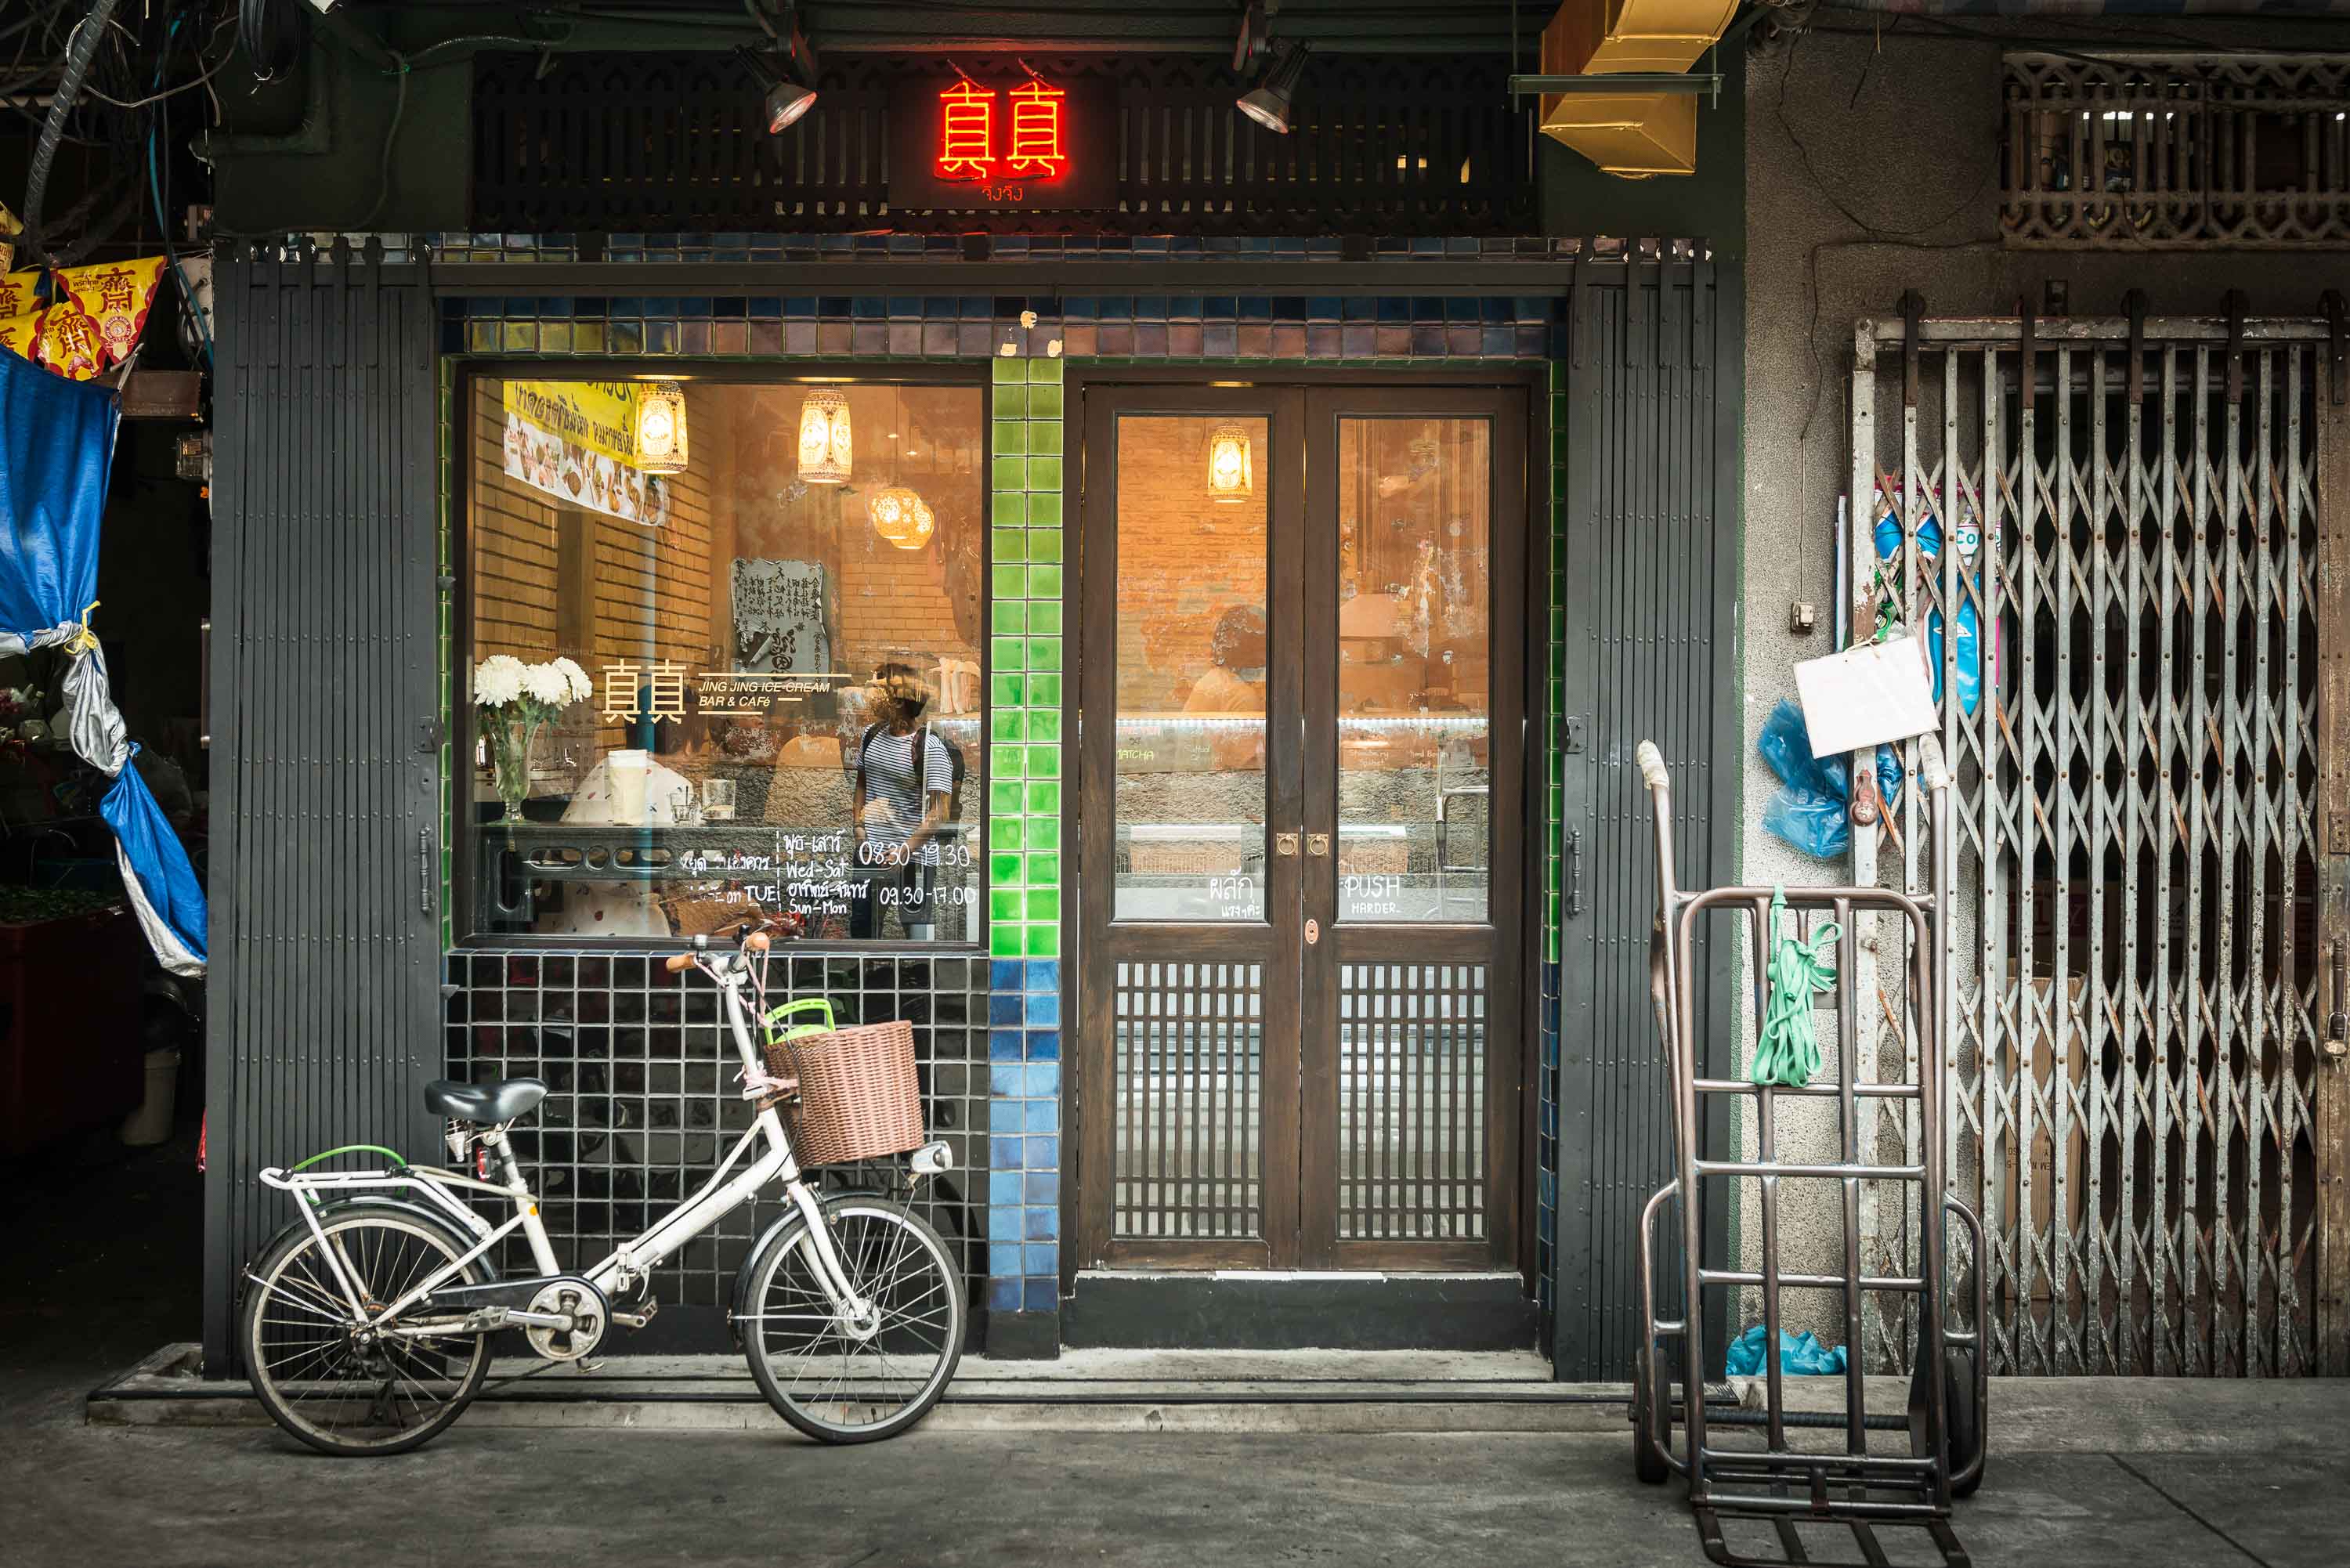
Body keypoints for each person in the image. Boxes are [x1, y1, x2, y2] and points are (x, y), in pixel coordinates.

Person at [848, 663, 954, 941]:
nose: (871, 695)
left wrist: (904, 851)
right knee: (862, 929)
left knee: (918, 935)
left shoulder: (929, 747)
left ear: (898, 701)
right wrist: (859, 829)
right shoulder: (871, 734)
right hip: (871, 852)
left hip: (913, 857)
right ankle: (867, 968)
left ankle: (920, 970)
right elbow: (862, 784)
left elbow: (940, 811)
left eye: (880, 690)